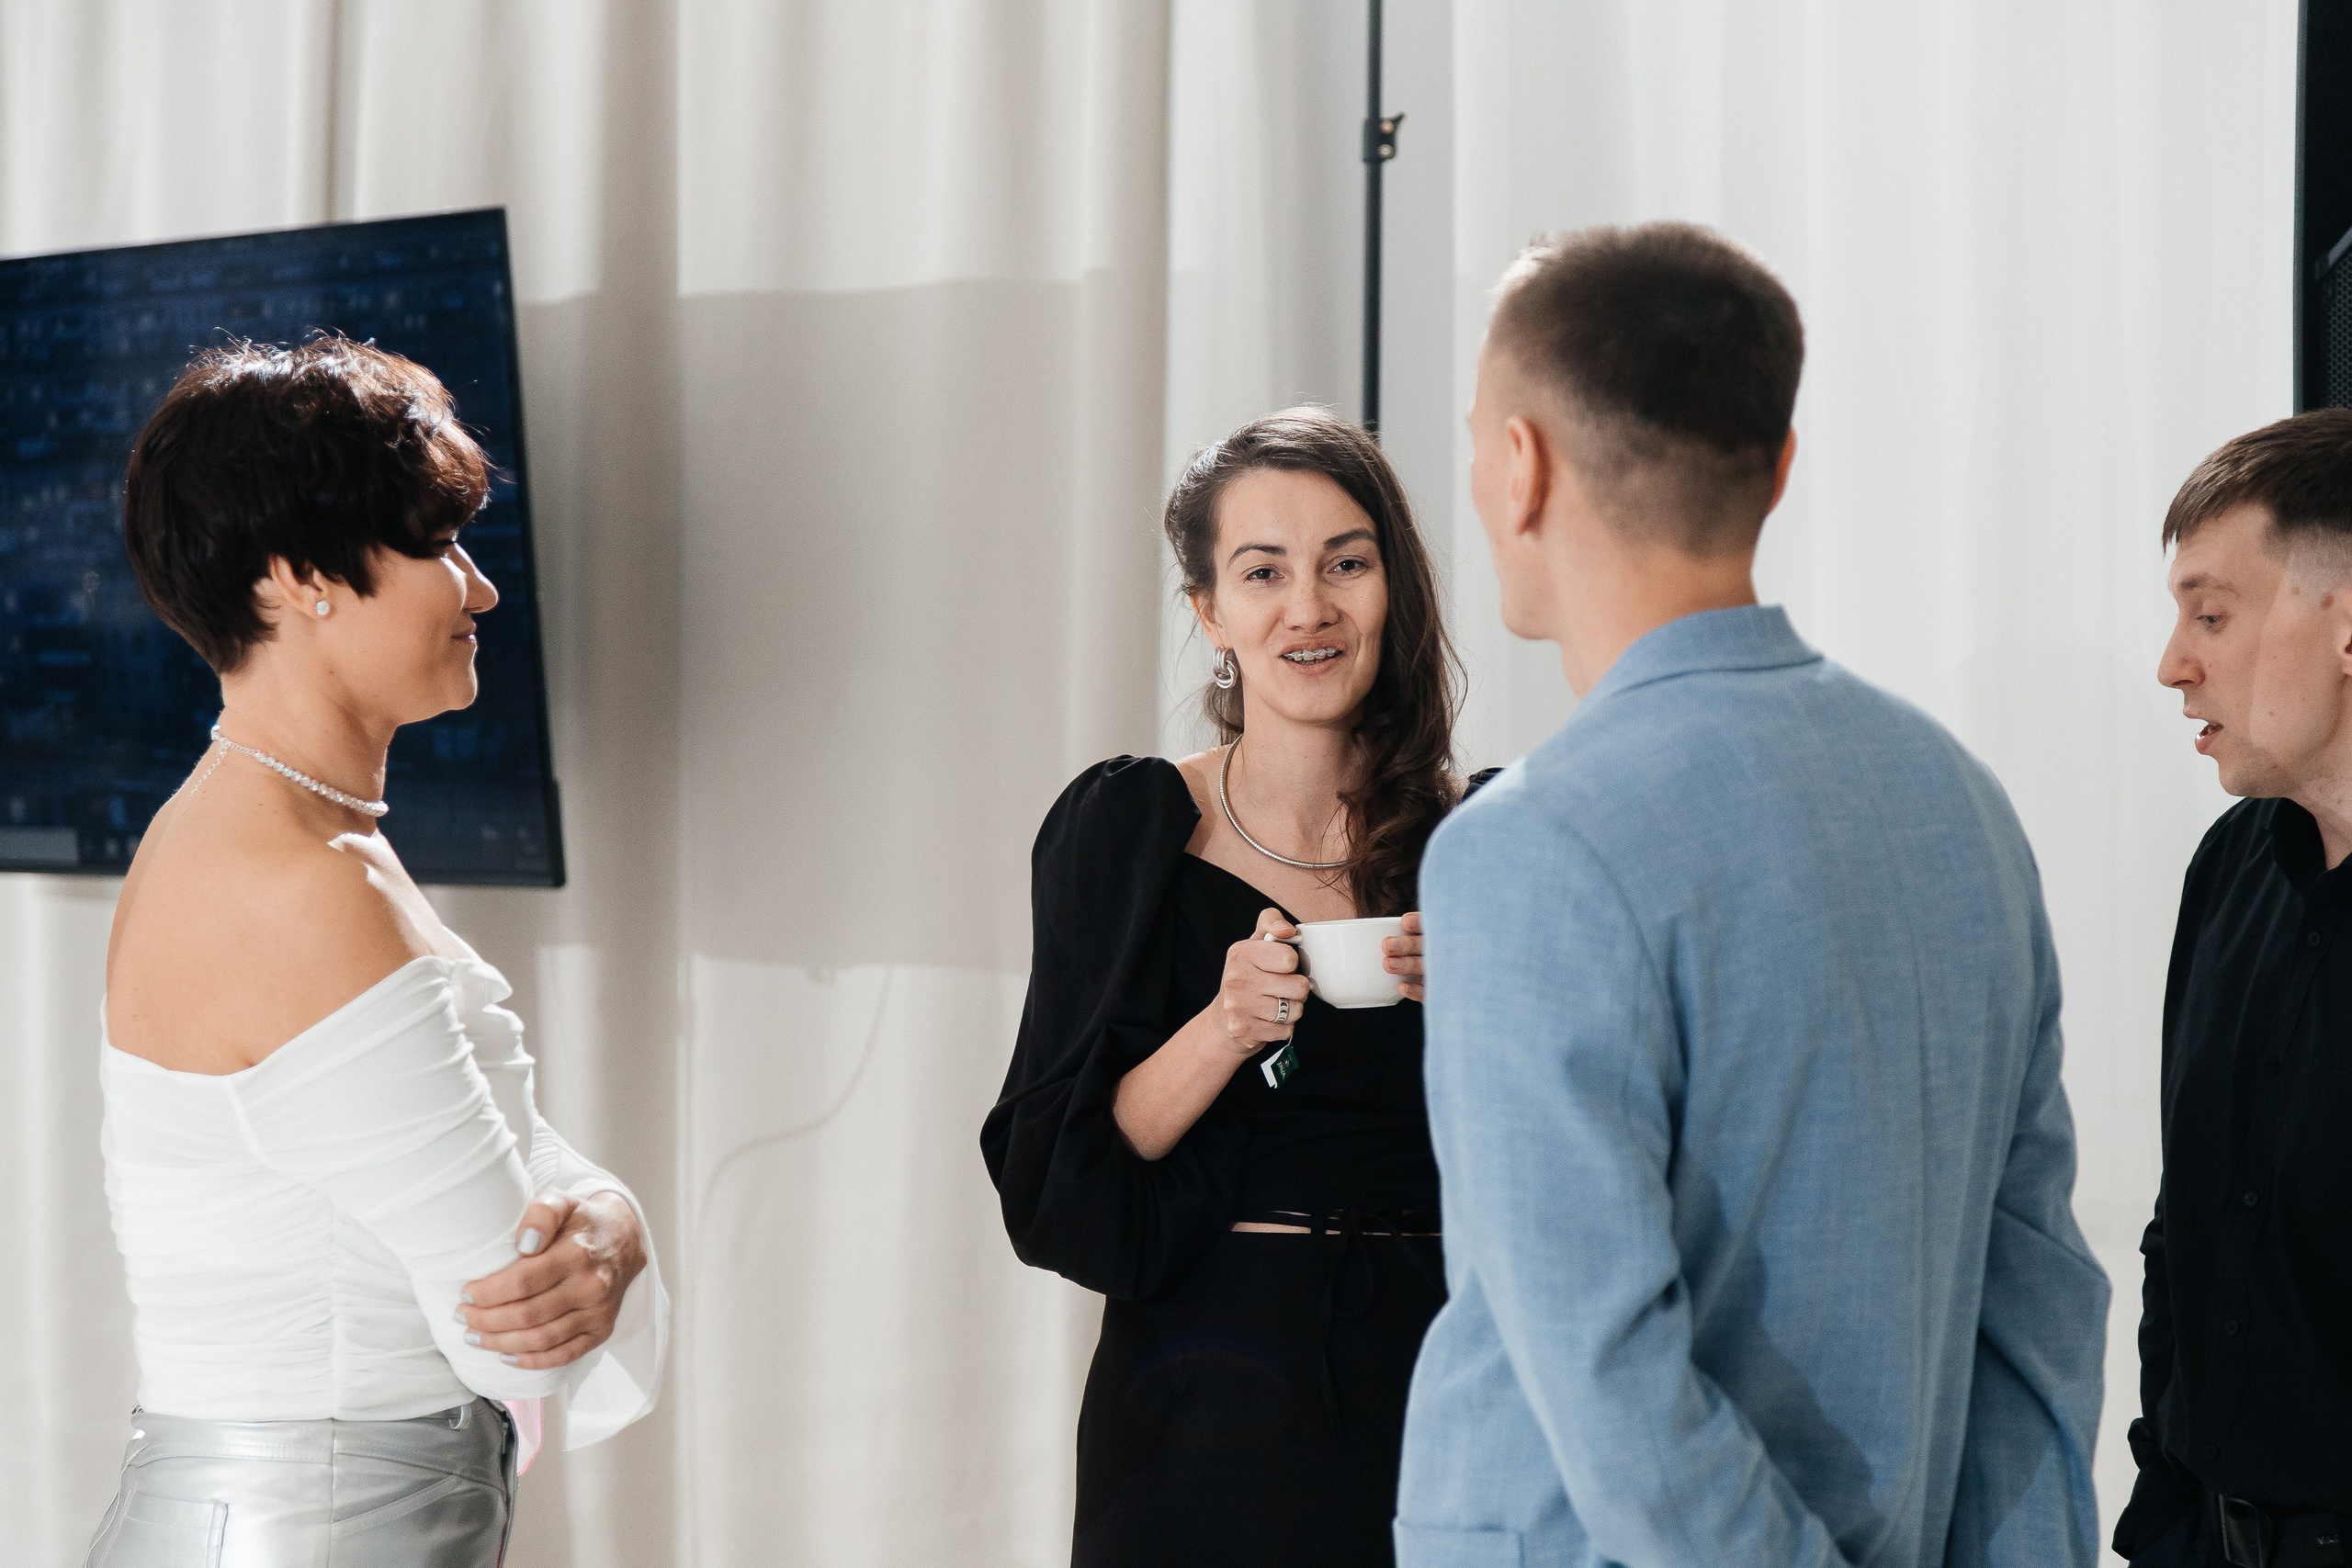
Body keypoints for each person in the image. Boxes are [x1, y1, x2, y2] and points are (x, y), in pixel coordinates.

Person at [1393, 222, 2109, 1568]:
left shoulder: (1528, 843)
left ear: (1519, 465)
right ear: (1780, 468)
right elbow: (2040, 1310)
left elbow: (1614, 1389)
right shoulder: (1962, 802)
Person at [86, 338, 667, 1567]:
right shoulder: (300, 883)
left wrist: (609, 1222)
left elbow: (502, 1167)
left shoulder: (263, 828)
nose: (480, 587)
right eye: (438, 544)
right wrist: (606, 1226)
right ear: (303, 578)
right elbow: (508, 1322)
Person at [982, 408, 1473, 1567]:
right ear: (1210, 611)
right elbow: (1059, 1170)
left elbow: (1572, 1150)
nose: (1308, 607)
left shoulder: (1478, 836)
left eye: (1346, 564)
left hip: (1438, 1372)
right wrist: (1223, 1025)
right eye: (1264, 572)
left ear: (1391, 587)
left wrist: (1489, 1002)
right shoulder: (1131, 827)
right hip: (1200, 1384)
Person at [2116, 410, 2352, 1568]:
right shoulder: (2232, 866)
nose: (2174, 661)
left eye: (2212, 614)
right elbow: (2187, 1228)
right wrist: (2163, 1519)